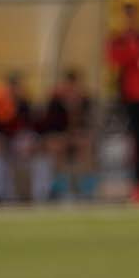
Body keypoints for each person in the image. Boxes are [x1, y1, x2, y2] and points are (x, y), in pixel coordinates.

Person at [104, 3, 139, 204]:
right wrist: (136, 57)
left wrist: (137, 58)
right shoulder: (118, 38)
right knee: (134, 143)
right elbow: (115, 59)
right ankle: (136, 187)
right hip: (129, 98)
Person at [0, 70, 39, 203]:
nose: (14, 88)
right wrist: (0, 140)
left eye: (16, 84)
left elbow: (28, 127)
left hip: (16, 141)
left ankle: (29, 196)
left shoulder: (24, 102)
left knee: (29, 155)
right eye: (12, 84)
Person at [34, 68, 92, 199]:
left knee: (85, 145)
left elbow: (85, 123)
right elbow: (50, 124)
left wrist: (75, 127)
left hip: (76, 135)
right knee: (56, 146)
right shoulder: (56, 100)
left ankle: (86, 189)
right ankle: (60, 187)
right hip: (60, 135)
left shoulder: (84, 99)